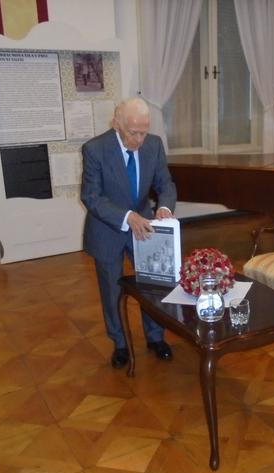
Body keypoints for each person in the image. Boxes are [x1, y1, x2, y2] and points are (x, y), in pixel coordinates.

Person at [81, 97, 177, 368]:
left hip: (144, 227)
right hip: (107, 229)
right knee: (112, 290)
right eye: (133, 133)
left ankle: (156, 337)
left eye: (144, 132)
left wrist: (164, 207)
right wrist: (127, 217)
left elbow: (166, 184)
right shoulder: (95, 149)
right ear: (116, 124)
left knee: (152, 284)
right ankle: (120, 343)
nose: (139, 140)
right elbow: (91, 197)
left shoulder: (154, 145)